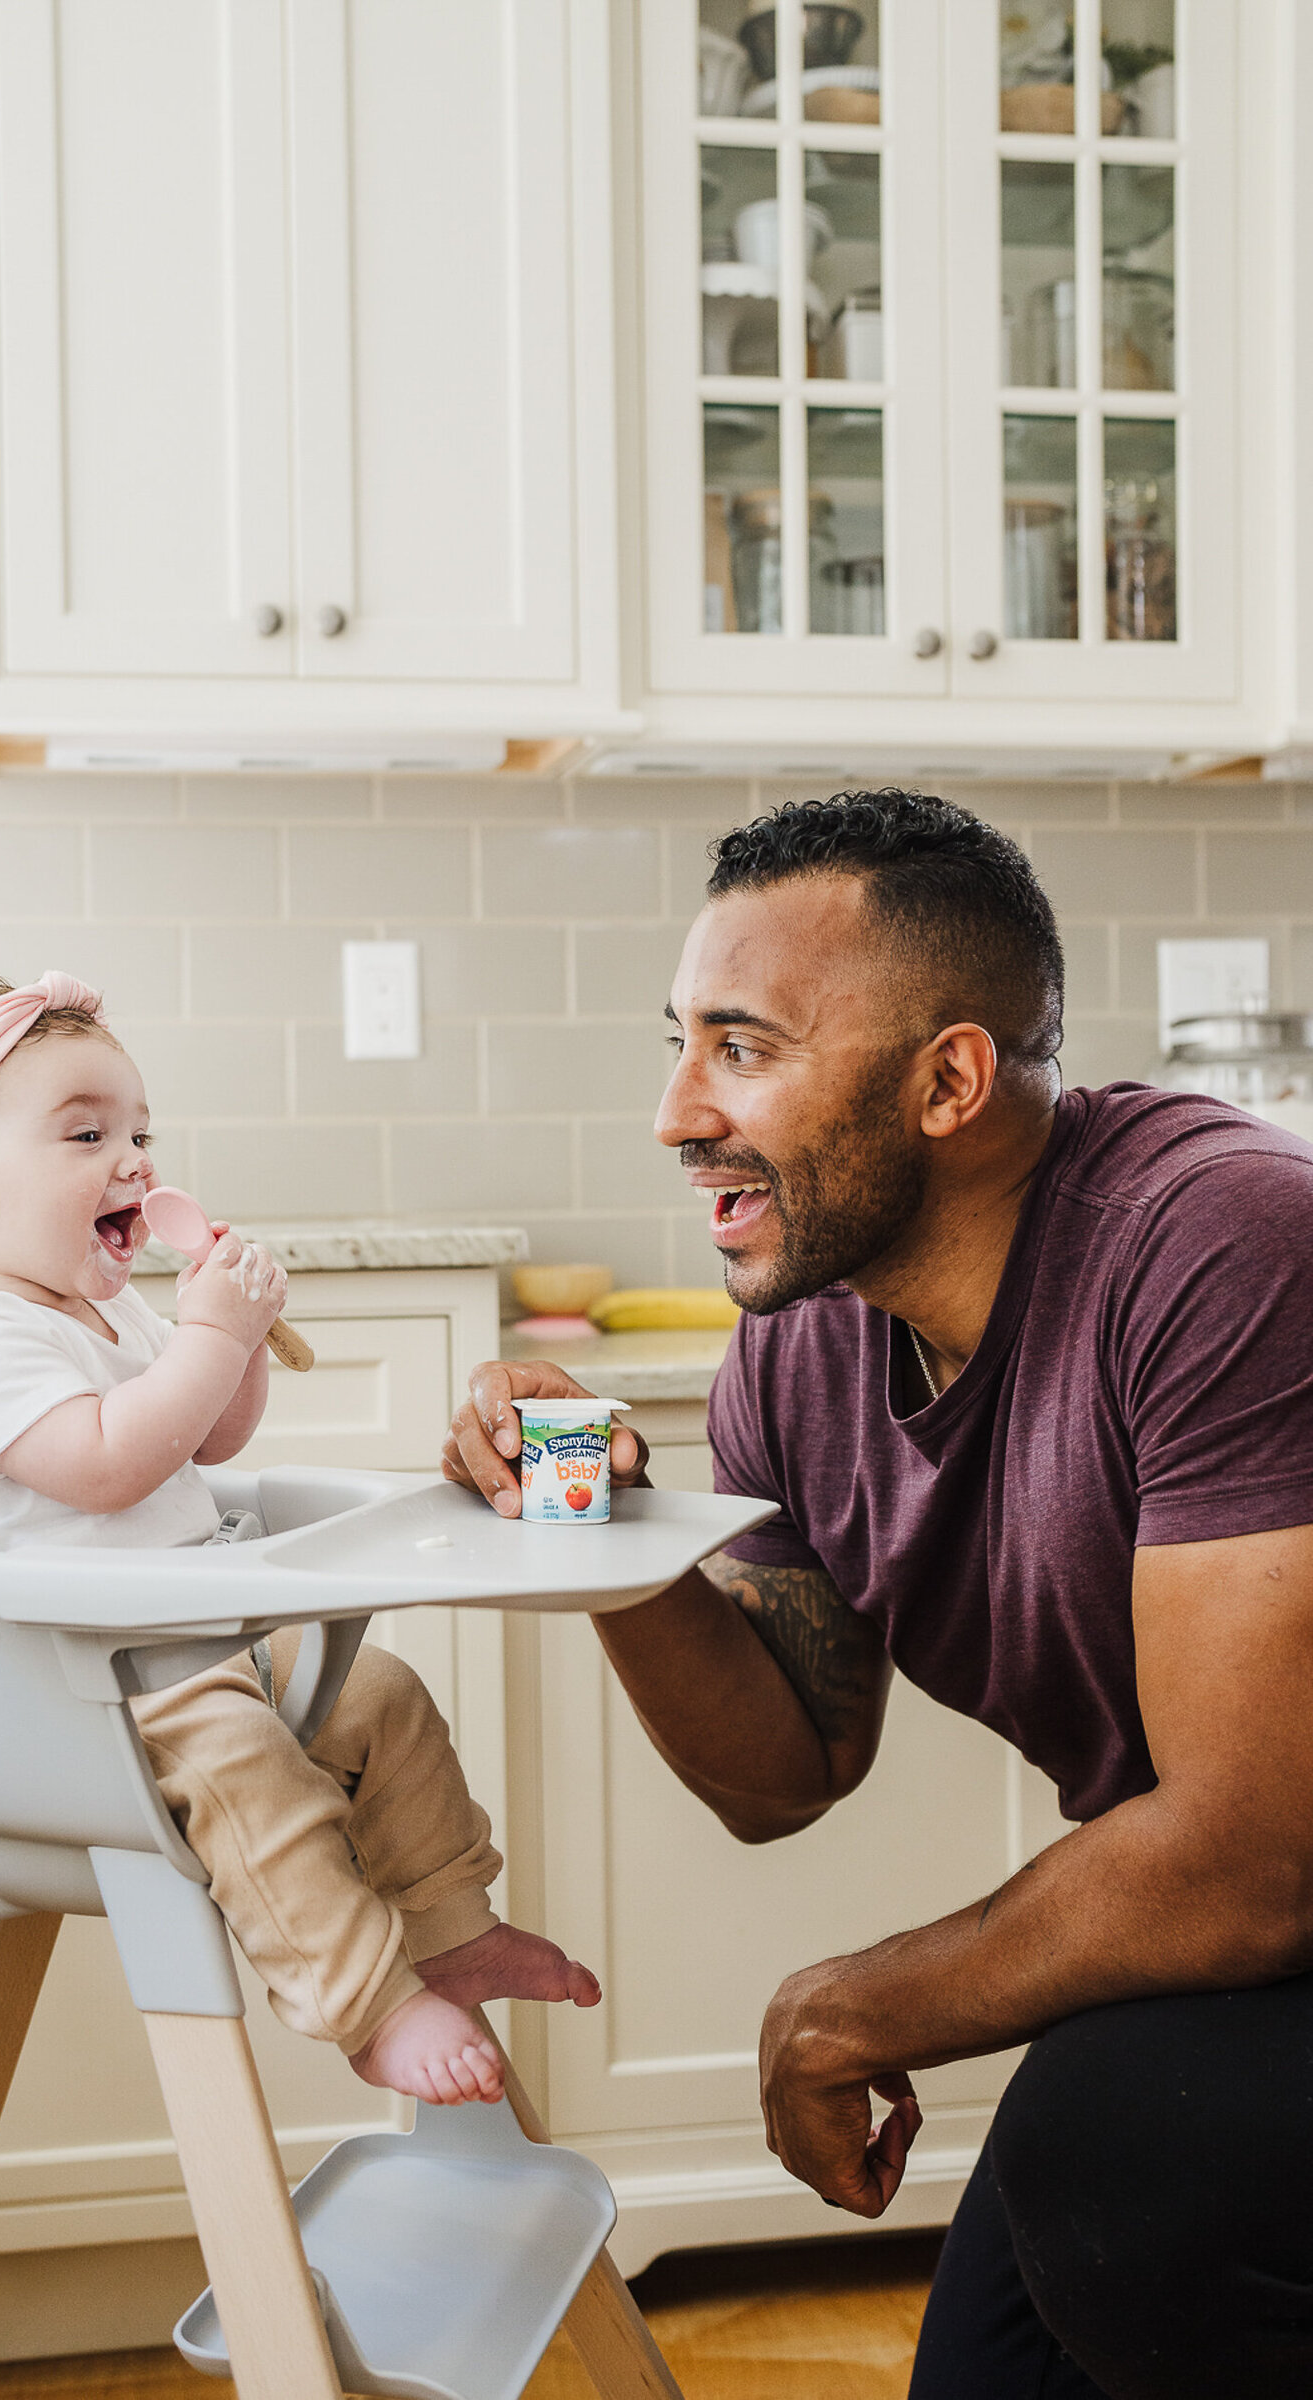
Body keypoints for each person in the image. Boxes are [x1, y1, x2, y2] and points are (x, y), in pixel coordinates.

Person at [444, 792, 1313, 2399]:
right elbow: (783, 1772)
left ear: (950, 1082)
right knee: (1002, 2356)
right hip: (1256, 1951)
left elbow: (1260, 1856)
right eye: (679, 1042)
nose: (676, 1113)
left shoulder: (1220, 1242)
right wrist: (606, 1533)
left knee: (1129, 2170)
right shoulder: (804, 1343)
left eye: (743, 1048)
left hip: (1281, 1911)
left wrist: (852, 2007)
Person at [0, 972, 598, 2109]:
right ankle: (364, 2005)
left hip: (178, 1649)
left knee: (382, 1699)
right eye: (87, 1134)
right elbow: (108, 1467)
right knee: (252, 1770)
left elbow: (207, 1442)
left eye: (141, 1131)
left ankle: (450, 1932)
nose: (136, 1160)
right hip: (69, 1690)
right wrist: (208, 1328)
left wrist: (234, 1341)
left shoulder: (108, 1308)